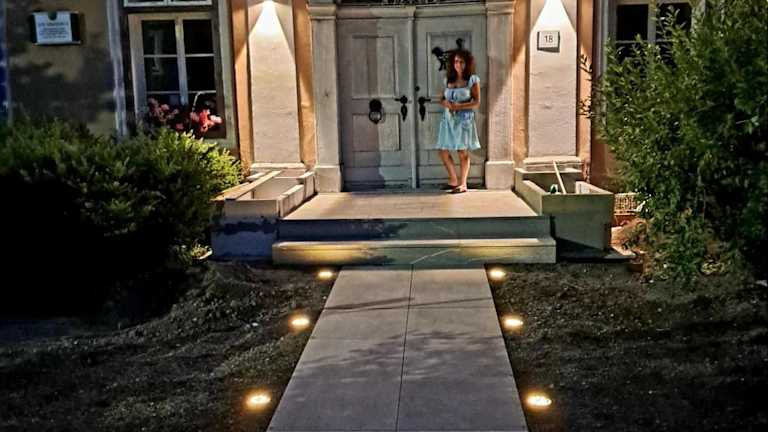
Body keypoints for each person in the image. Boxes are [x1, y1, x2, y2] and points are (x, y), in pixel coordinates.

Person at [436, 49, 481, 194]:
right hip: (448, 119)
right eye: (456, 61)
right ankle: (453, 180)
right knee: (443, 150)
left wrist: (458, 106)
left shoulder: (472, 80)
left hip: (463, 119)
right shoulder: (448, 79)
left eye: (461, 62)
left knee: (462, 151)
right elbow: (441, 98)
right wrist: (446, 104)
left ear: (467, 63)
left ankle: (463, 184)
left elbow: (476, 102)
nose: (458, 64)